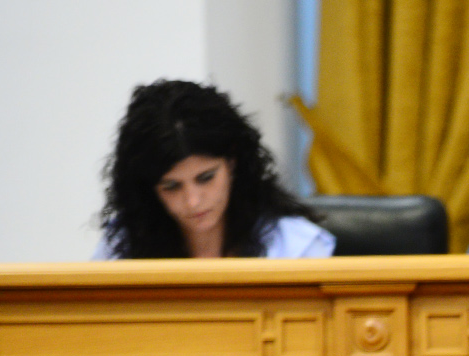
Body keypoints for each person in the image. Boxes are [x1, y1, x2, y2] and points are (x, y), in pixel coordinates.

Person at [97, 80, 333, 260]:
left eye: (206, 178)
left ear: (232, 161)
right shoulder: (121, 248)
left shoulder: (296, 248)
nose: (193, 201)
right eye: (171, 186)